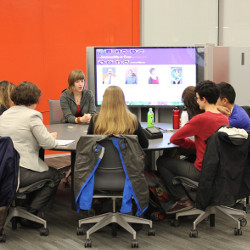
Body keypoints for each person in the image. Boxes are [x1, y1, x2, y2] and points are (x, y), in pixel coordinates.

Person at [157, 80, 229, 214]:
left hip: (201, 171)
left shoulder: (200, 119)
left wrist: (191, 145)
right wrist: (196, 145)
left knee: (162, 162)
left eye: (197, 98)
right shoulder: (224, 118)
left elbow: (174, 138)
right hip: (219, 170)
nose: (196, 101)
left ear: (204, 99)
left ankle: (183, 199)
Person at [0, 81, 61, 227]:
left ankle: (22, 207)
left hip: (4, 169)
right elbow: (48, 144)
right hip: (20, 170)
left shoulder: (5, 114)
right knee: (55, 175)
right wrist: (50, 137)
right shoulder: (33, 115)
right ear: (35, 99)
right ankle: (30, 214)